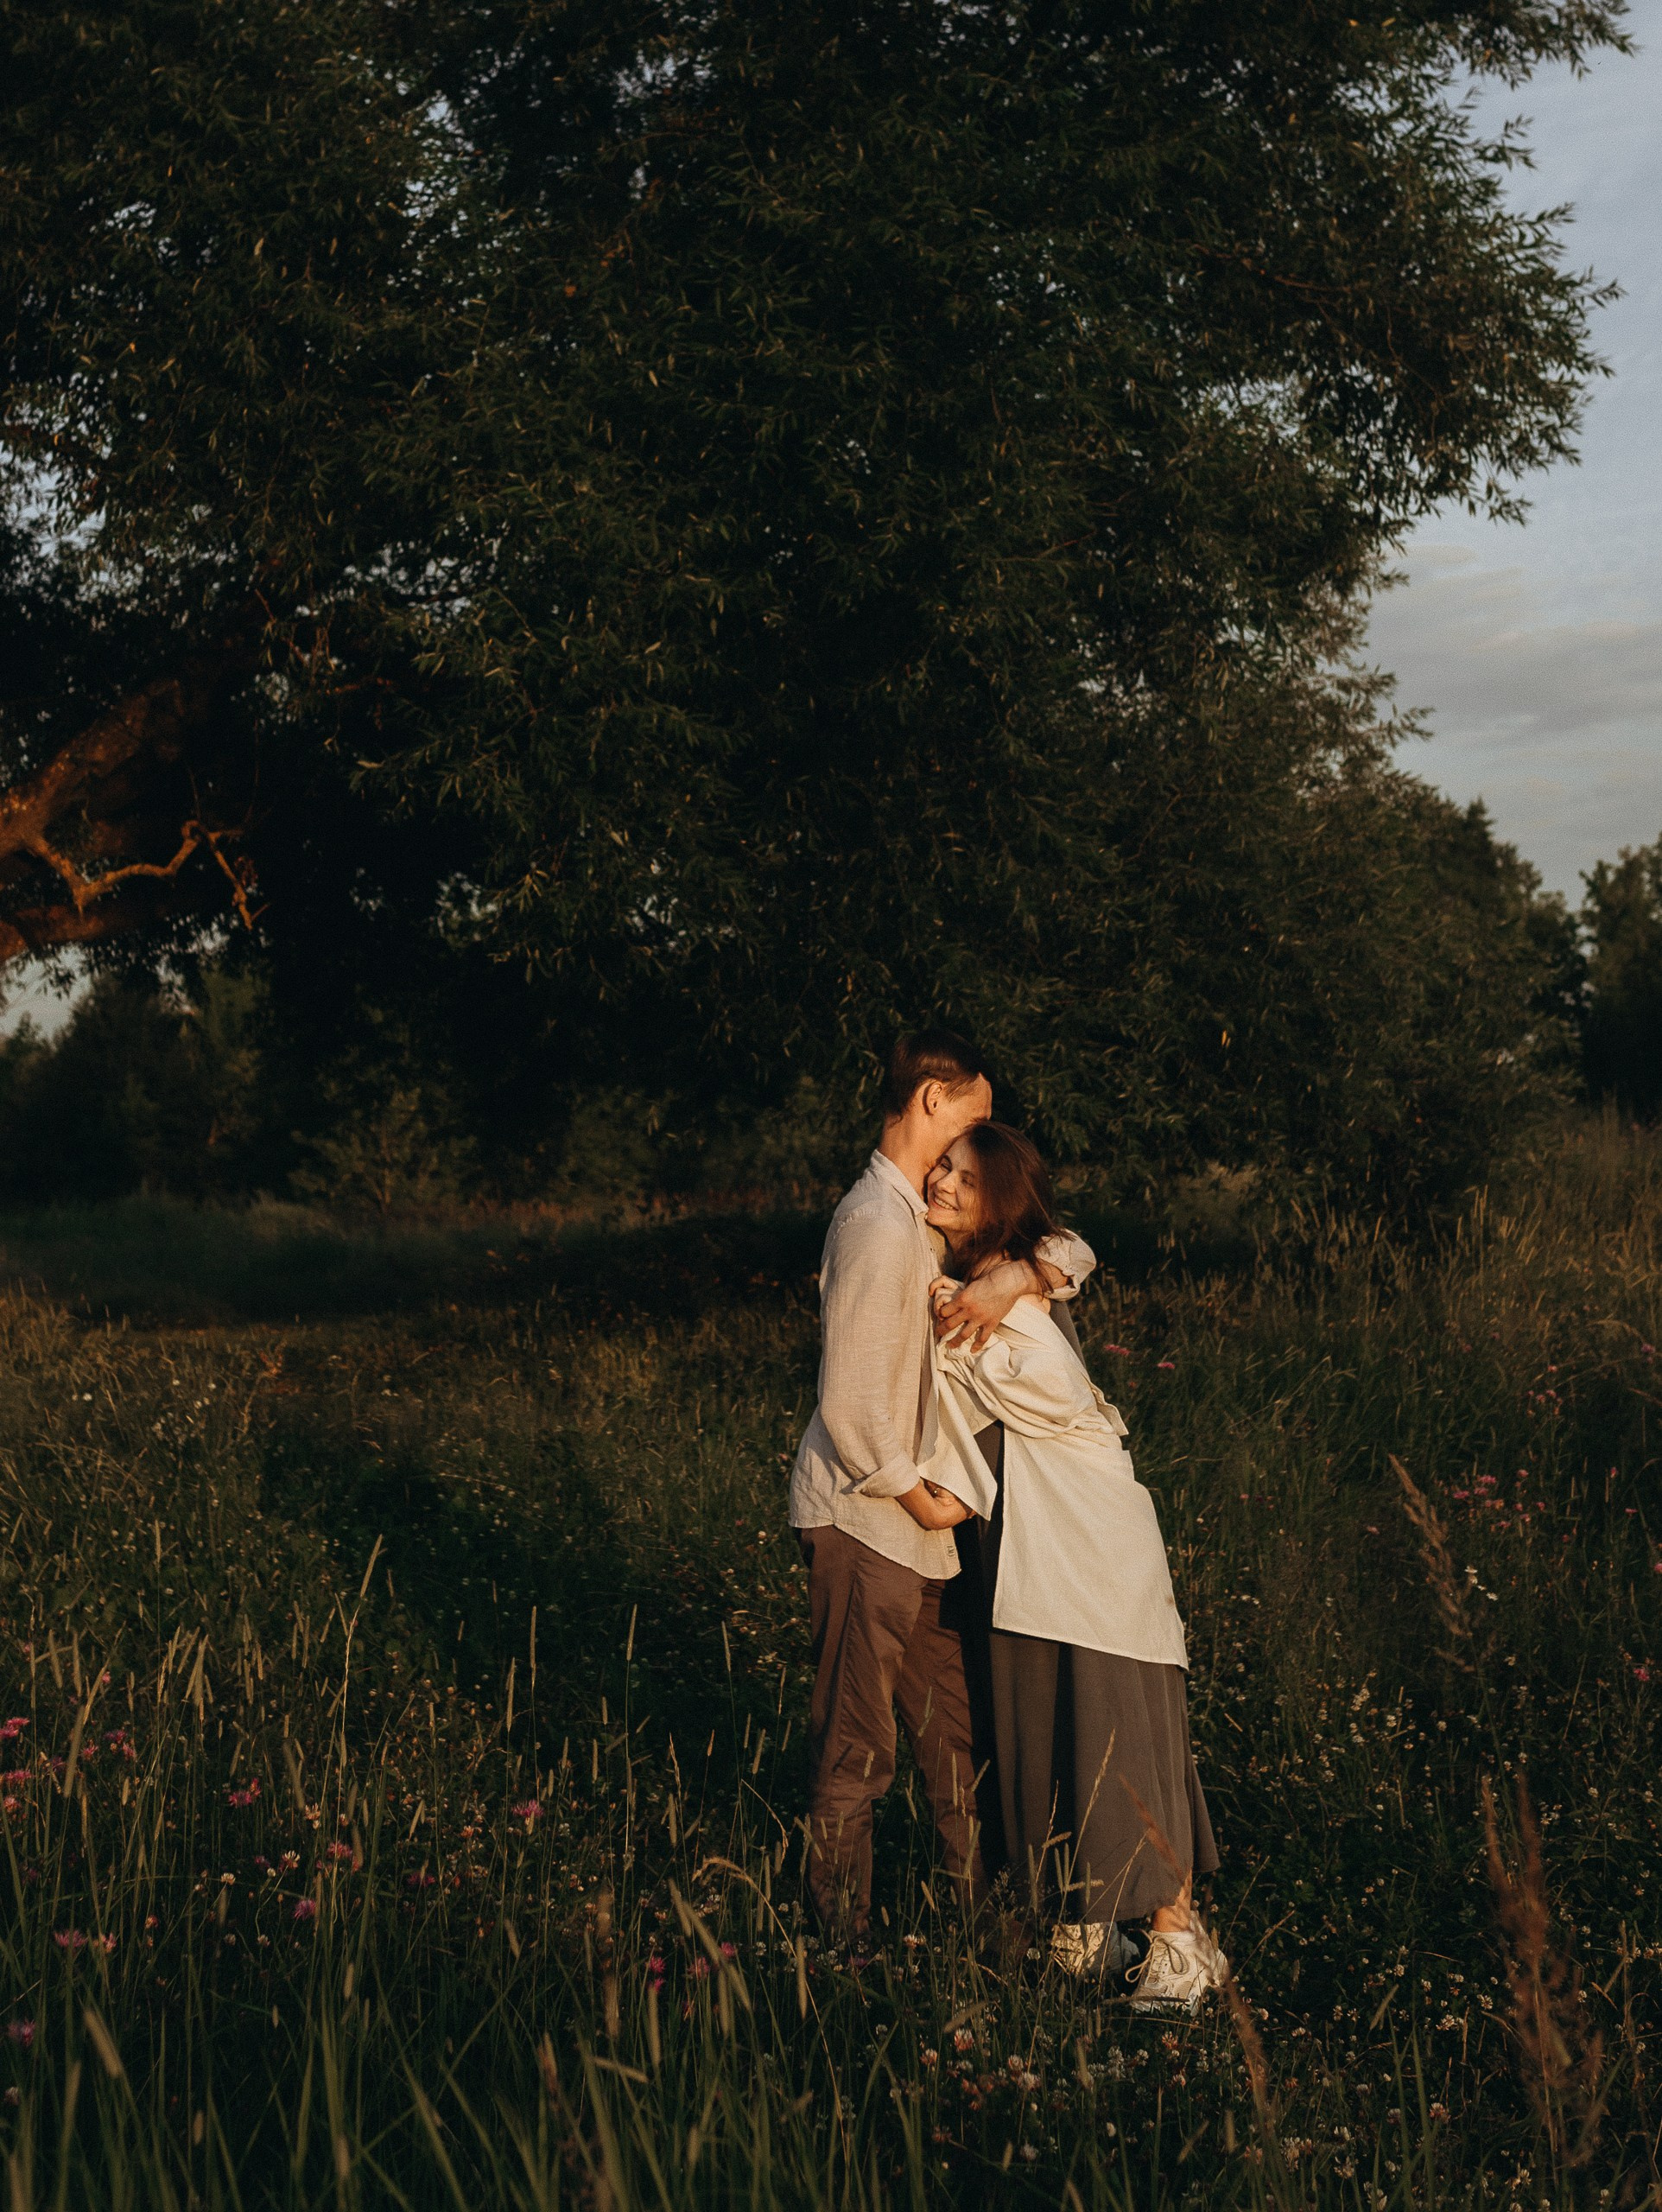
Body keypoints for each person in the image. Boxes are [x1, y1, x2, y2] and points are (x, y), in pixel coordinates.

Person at [790, 1031, 1096, 1940]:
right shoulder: (874, 1223)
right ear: (931, 1099)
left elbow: (1071, 1243)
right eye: (976, 1111)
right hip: (868, 1518)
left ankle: (991, 1930)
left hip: (923, 1535)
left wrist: (1020, 1270)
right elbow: (847, 1400)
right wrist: (919, 1495)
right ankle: (835, 1950)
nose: (986, 1130)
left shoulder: (920, 1215)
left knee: (955, 1738)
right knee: (856, 1748)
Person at [921, 1120, 1226, 2012]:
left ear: (998, 1203)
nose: (942, 1183)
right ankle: (1085, 1922)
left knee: (1126, 1725)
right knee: (1051, 1727)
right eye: (941, 1166)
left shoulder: (1019, 1276)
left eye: (963, 1178)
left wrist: (1015, 1275)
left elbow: (1068, 1246)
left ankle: (1177, 1941)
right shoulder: (955, 1277)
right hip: (1020, 1545)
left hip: (1089, 1538)